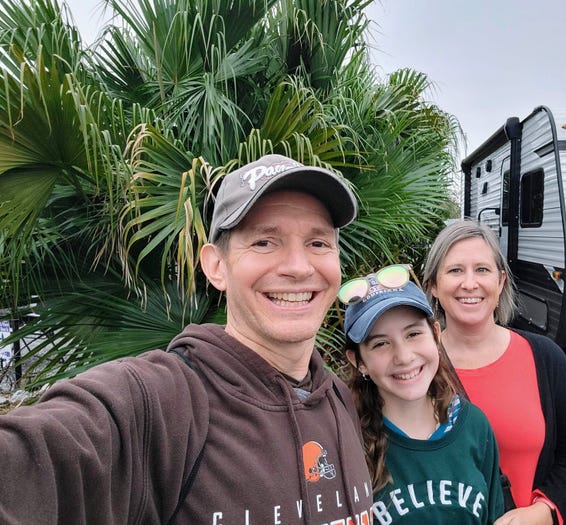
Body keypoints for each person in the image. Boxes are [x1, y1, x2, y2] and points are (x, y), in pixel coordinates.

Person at [0, 154, 374, 524]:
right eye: (264, 242)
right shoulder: (160, 405)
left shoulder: (338, 398)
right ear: (215, 266)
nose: (297, 266)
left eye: (318, 243)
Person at [422, 219, 566, 525]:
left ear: (500, 281)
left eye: (482, 269)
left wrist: (542, 510)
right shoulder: (414, 367)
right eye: (454, 270)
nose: (469, 283)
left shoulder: (544, 357)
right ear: (434, 285)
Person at [340, 264, 504, 524]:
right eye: (381, 343)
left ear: (435, 334)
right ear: (358, 361)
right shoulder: (346, 442)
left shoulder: (474, 425)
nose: (404, 357)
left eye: (413, 334)